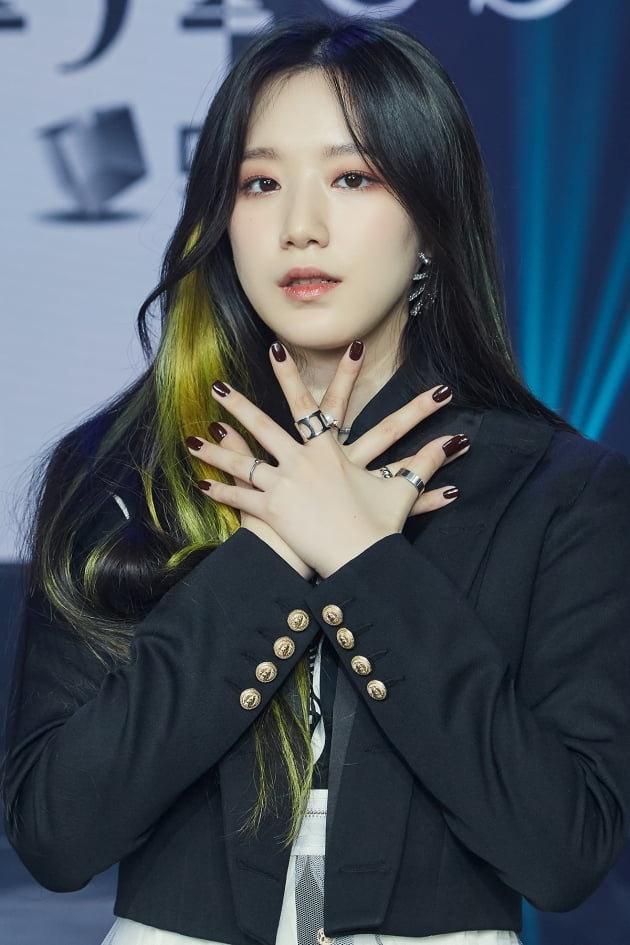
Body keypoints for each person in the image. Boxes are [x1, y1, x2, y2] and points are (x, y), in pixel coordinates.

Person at [3, 17, 630, 945]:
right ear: (221, 219)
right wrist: (274, 548)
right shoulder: (120, 472)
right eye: (261, 183)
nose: (301, 226)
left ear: (431, 221)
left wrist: (366, 560)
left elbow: (562, 853)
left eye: (353, 177)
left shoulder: (558, 490)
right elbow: (57, 835)